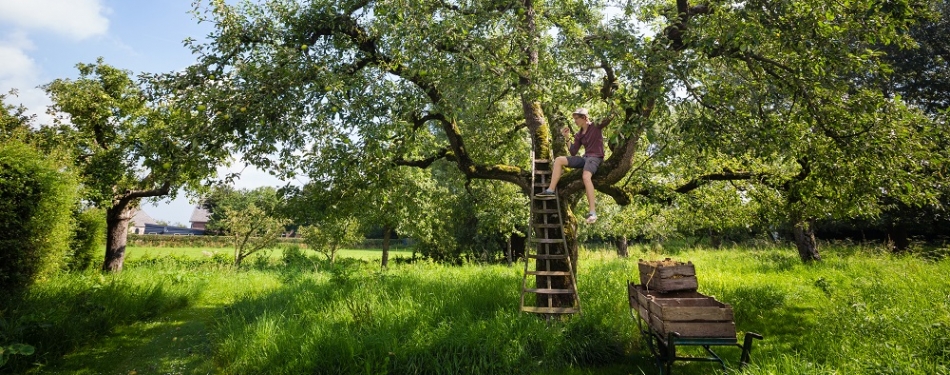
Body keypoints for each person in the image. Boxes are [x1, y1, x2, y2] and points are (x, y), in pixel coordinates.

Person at [537, 108, 607, 224]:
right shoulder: (579, 134)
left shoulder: (595, 126)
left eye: (577, 119)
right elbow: (573, 151)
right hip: (585, 158)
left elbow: (609, 117)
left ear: (584, 118)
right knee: (559, 160)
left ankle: (593, 213)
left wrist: (615, 108)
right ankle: (550, 190)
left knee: (586, 177)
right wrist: (567, 137)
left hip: (595, 158)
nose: (575, 121)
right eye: (574, 119)